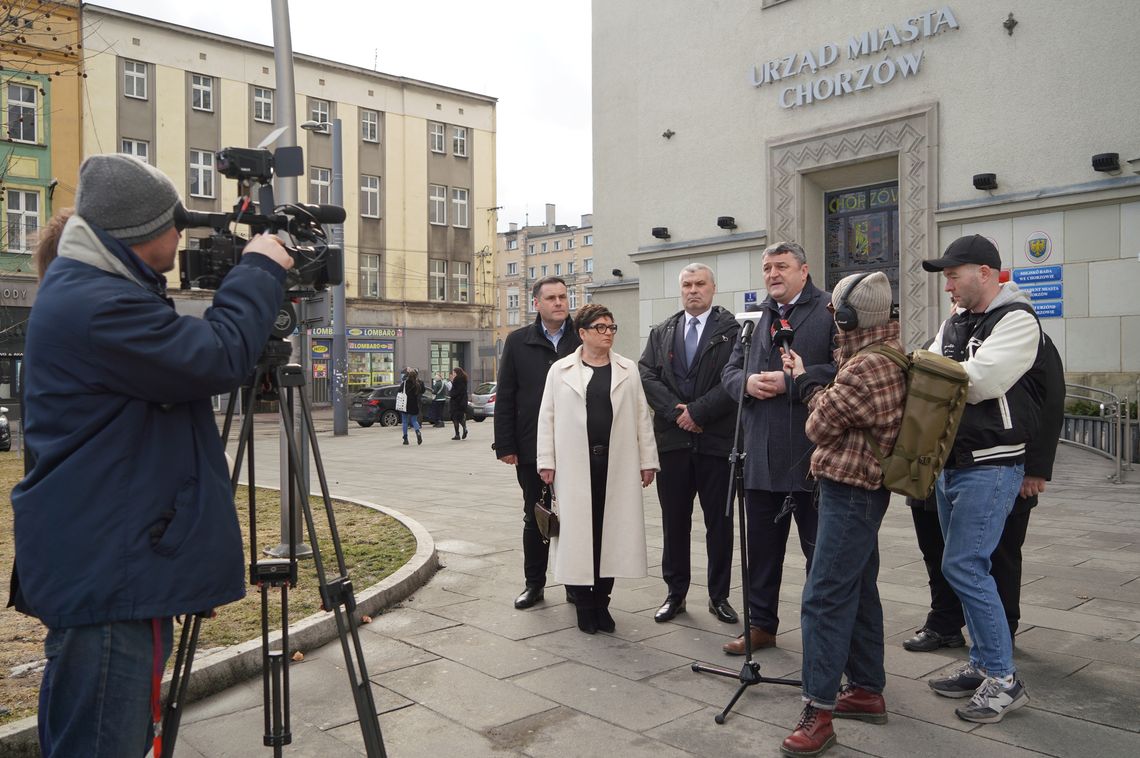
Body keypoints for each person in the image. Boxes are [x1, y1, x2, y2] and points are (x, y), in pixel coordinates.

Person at [9, 153, 293, 757]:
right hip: (110, 575)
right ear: (141, 232)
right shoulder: (98, 304)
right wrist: (260, 269)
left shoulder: (93, 290)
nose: (182, 235)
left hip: (112, 561)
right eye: (176, 222)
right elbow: (216, 356)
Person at [777, 271, 906, 757]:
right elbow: (836, 408)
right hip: (864, 490)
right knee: (860, 588)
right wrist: (813, 377)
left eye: (836, 311)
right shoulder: (881, 353)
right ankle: (867, 690)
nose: (832, 317)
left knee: (823, 597)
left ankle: (818, 712)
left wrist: (807, 385)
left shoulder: (866, 367)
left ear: (851, 317)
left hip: (851, 492)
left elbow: (818, 425)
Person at [922, 234, 1042, 724]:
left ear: (985, 273)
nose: (947, 285)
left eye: (954, 275)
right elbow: (930, 370)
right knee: (963, 567)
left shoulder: (1017, 319)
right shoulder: (955, 321)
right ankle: (982, 664)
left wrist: (935, 372)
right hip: (953, 463)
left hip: (992, 463)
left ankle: (1004, 680)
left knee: (965, 566)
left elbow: (980, 382)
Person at [904, 290, 1066, 654]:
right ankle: (944, 621)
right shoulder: (943, 339)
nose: (954, 297)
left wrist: (1036, 469)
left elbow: (1050, 403)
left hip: (999, 464)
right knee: (937, 550)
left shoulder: (1024, 338)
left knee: (998, 556)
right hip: (938, 466)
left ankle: (1000, 634)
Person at [720, 241, 837, 654]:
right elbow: (730, 371)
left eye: (781, 266)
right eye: (768, 267)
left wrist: (791, 382)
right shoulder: (756, 318)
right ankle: (761, 625)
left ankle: (821, 632)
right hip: (760, 455)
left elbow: (843, 369)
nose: (772, 274)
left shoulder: (829, 311)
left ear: (803, 271)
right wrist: (747, 383)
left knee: (817, 554)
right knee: (761, 552)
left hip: (809, 455)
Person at [536, 303, 659, 634]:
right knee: (578, 535)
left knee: (612, 534)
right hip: (574, 467)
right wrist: (546, 461)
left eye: (611, 327)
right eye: (600, 328)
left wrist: (648, 461)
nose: (608, 334)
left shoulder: (627, 369)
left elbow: (641, 417)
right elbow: (547, 417)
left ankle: (602, 602)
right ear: (583, 333)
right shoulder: (560, 370)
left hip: (617, 464)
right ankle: (583, 604)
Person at [639, 263, 740, 625]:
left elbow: (735, 379)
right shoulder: (662, 331)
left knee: (720, 524)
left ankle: (719, 596)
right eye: (687, 285)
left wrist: (698, 412)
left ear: (713, 288)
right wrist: (676, 412)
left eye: (700, 284)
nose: (693, 290)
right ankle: (675, 594)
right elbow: (646, 374)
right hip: (673, 445)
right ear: (680, 290)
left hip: (717, 444)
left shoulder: (733, 333)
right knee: (675, 523)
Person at [495, 276, 582, 609]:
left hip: (577, 446)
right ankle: (534, 584)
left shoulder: (582, 337)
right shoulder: (518, 341)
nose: (559, 302)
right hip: (532, 446)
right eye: (551, 298)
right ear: (537, 304)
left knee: (575, 516)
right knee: (536, 516)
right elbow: (506, 395)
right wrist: (506, 445)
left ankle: (575, 583)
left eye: (563, 296)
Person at [400, 368, 425, 445]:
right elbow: (423, 391)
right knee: (414, 421)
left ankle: (405, 439)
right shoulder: (418, 383)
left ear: (408, 376)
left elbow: (399, 391)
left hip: (405, 404)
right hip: (414, 404)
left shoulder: (405, 383)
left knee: (405, 422)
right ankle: (418, 432)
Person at [449, 366, 469, 440]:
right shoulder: (464, 379)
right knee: (460, 417)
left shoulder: (457, 380)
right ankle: (464, 428)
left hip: (456, 402)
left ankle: (457, 435)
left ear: (457, 373)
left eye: (454, 372)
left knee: (455, 418)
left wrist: (451, 393)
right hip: (462, 402)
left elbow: (455, 391)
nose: (453, 374)